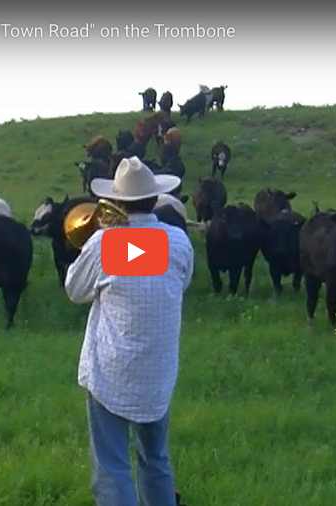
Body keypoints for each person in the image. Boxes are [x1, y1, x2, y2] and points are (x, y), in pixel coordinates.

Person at [65, 156, 194, 506]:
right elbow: (180, 282)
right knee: (156, 458)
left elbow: (74, 291)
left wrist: (102, 242)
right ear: (155, 199)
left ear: (117, 202)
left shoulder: (107, 244)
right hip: (158, 373)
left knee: (112, 466)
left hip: (111, 372)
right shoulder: (179, 242)